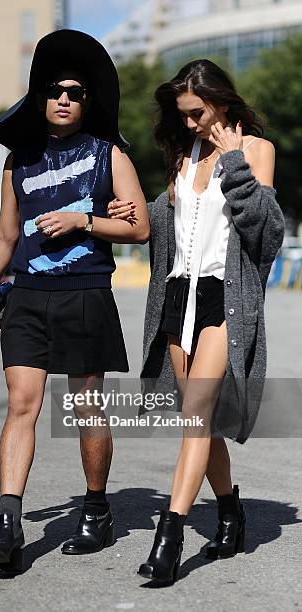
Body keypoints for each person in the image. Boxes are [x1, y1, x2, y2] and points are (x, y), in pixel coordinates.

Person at [0, 29, 149, 572]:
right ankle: (8, 524)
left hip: (86, 294)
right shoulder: (17, 161)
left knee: (85, 408)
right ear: (40, 97)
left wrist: (83, 221)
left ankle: (96, 511)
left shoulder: (108, 154)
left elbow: (139, 226)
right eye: (55, 90)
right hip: (26, 297)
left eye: (75, 91)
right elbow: (5, 236)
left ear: (87, 100)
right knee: (21, 405)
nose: (65, 98)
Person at [108, 59, 285, 584]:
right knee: (198, 422)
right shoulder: (183, 154)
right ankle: (230, 508)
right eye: (182, 115)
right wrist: (131, 214)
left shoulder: (256, 151)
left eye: (196, 113)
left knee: (197, 416)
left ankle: (172, 533)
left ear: (221, 103)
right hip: (177, 296)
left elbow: (265, 233)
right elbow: (171, 224)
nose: (190, 124)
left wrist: (235, 164)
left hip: (224, 299)